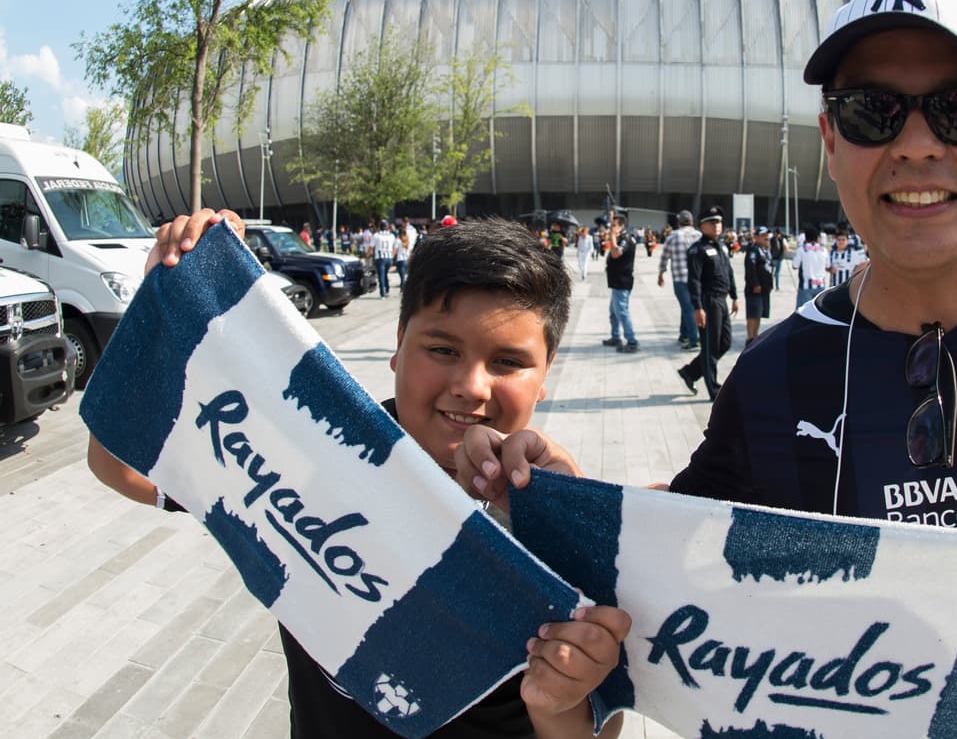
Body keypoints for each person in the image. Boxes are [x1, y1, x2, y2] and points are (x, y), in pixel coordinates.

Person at [463, 0, 957, 738]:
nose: (917, 145)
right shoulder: (772, 378)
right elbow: (679, 534)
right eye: (872, 113)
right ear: (830, 142)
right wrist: (566, 499)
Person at [86, 209, 629, 739]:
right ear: (398, 344)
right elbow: (117, 464)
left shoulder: (566, 529)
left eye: (508, 363)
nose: (471, 385)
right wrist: (165, 299)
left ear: (545, 377)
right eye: (442, 349)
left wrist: (561, 705)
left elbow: (603, 721)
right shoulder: (319, 446)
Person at [676, 206, 738, 400]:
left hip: (722, 300)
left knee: (725, 343)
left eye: (718, 222)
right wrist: (698, 307)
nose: (717, 226)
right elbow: (693, 281)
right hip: (708, 301)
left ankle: (691, 372)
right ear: (702, 226)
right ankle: (714, 390)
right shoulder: (697, 250)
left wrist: (735, 296)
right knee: (710, 346)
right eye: (712, 222)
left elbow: (729, 272)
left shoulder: (721, 246)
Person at [657, 209, 701, 351]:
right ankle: (684, 335)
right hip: (698, 278)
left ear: (679, 222)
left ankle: (694, 339)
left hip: (680, 278)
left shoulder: (673, 236)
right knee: (688, 306)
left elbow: (665, 256)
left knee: (688, 308)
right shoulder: (699, 235)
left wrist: (661, 274)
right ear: (692, 222)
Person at [601, 209, 639, 353]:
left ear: (621, 226)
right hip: (617, 282)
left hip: (622, 282)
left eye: (613, 225)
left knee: (622, 312)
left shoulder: (625, 239)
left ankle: (632, 341)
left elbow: (616, 253)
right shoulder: (621, 237)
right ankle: (616, 337)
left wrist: (611, 236)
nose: (611, 228)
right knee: (613, 311)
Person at [742, 225, 772, 348]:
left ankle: (755, 336)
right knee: (752, 315)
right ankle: (750, 338)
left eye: (767, 235)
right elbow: (751, 269)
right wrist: (755, 284)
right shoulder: (753, 250)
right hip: (755, 288)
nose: (766, 238)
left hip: (764, 289)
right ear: (757, 237)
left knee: (758, 314)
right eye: (763, 236)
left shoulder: (765, 249)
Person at [792, 226, 828, 306]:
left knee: (803, 312)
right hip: (820, 285)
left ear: (805, 237)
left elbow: (795, 265)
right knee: (817, 312)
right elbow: (828, 266)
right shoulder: (823, 249)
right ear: (817, 237)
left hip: (806, 286)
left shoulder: (802, 249)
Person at [373, 219, 398, 298]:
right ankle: (387, 289)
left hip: (380, 257)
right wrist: (392, 256)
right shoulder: (391, 235)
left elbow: (371, 246)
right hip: (389, 257)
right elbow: (395, 247)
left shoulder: (376, 235)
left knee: (381, 275)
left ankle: (382, 293)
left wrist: (367, 254)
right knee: (385, 274)